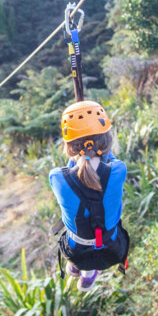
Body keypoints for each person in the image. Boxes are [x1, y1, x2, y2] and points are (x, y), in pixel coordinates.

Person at [49, 100, 130, 291]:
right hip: (110, 247)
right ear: (106, 139)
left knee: (77, 231)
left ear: (69, 147)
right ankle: (87, 277)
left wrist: (79, 152)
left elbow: (73, 170)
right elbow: (107, 159)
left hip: (74, 250)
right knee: (98, 230)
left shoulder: (56, 177)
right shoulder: (119, 170)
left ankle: (77, 268)